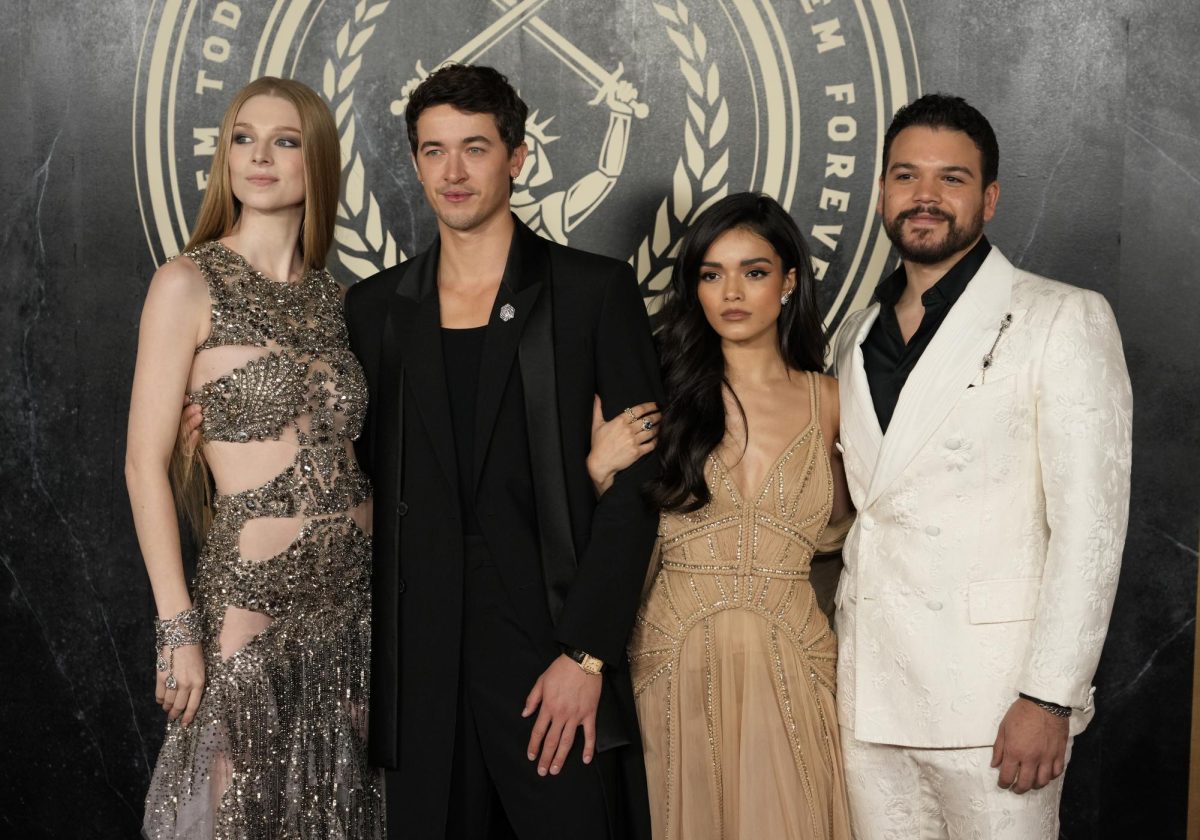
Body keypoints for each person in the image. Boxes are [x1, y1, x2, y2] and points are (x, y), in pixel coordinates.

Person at [343, 65, 660, 839]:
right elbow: (349, 478)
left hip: (549, 661)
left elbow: (641, 489)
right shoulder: (374, 309)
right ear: (414, 161)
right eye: (433, 151)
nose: (453, 172)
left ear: (516, 158)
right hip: (418, 676)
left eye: (475, 149)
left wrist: (587, 656)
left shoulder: (593, 292)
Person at [831, 93, 1132, 837]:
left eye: (952, 178)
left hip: (997, 703)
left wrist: (1051, 696)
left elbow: (1091, 530)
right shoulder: (851, 336)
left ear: (989, 197)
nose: (925, 196)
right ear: (881, 192)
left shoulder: (1061, 316)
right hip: (869, 697)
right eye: (905, 176)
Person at [126, 77, 383, 837]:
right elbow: (144, 465)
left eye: (285, 140)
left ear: (319, 162)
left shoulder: (345, 303)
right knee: (236, 808)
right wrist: (178, 628)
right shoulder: (186, 283)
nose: (260, 156)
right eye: (243, 137)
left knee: (338, 812)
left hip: (354, 608)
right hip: (247, 604)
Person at [588, 192, 855, 839]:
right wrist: (598, 472)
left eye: (754, 271)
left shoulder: (834, 401)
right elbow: (600, 540)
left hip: (794, 668)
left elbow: (872, 536)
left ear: (789, 282)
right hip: (673, 663)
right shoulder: (653, 392)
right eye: (712, 273)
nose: (731, 291)